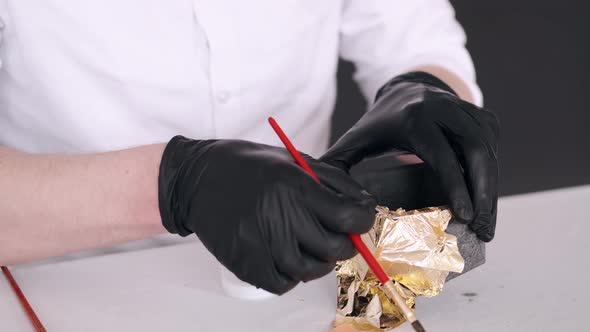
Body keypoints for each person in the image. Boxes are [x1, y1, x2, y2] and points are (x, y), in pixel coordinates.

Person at [0, 0, 498, 295]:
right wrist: (174, 184)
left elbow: (414, 36)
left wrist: (422, 88)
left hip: (305, 278)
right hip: (61, 284)